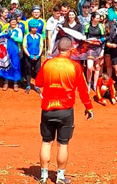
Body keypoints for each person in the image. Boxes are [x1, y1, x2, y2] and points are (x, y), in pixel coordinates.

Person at [35, 37, 93, 184]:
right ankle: (60, 177)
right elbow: (82, 90)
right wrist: (89, 107)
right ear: (71, 49)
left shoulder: (48, 63)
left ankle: (43, 176)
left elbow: (38, 82)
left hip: (47, 109)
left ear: (58, 48)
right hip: (65, 110)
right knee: (63, 144)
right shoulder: (75, 66)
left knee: (46, 142)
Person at [84, 12, 106, 91]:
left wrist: (102, 50)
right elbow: (85, 38)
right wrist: (88, 41)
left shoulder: (101, 26)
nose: (98, 19)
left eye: (99, 18)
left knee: (97, 67)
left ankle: (95, 84)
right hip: (89, 48)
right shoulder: (87, 26)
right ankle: (89, 82)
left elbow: (104, 39)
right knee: (89, 67)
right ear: (92, 18)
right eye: (97, 18)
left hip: (98, 48)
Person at [3, 16, 24, 91]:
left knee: (16, 67)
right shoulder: (6, 30)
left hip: (16, 51)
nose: (13, 23)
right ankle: (6, 82)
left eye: (14, 22)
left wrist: (12, 36)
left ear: (16, 22)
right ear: (10, 22)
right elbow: (2, 38)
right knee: (6, 66)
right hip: (7, 50)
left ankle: (15, 83)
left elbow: (21, 40)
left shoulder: (19, 30)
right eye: (12, 22)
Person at [22, 24, 43, 95]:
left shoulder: (39, 36)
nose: (35, 29)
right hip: (29, 56)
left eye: (36, 28)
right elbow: (24, 46)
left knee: (37, 71)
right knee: (28, 70)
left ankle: (36, 85)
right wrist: (29, 55)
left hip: (37, 56)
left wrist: (39, 55)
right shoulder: (26, 36)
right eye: (34, 28)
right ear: (30, 28)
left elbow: (41, 46)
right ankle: (28, 85)